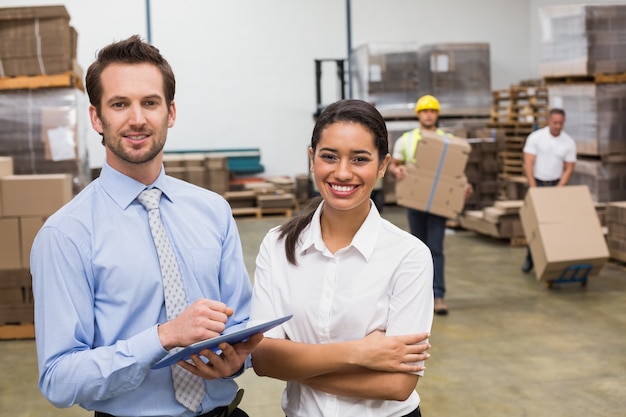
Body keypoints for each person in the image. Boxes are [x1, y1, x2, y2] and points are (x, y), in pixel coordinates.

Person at [30, 35, 262, 417]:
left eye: (150, 103)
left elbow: (241, 322)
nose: (137, 119)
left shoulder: (213, 211)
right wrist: (162, 337)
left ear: (170, 113)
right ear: (95, 117)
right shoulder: (65, 235)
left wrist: (237, 361)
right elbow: (59, 378)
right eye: (120, 104)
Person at [249, 99, 433, 417]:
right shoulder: (278, 245)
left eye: (360, 159)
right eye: (329, 157)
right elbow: (264, 359)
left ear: (383, 165)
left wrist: (296, 362)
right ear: (312, 159)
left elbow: (398, 385)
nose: (342, 172)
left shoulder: (409, 256)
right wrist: (360, 352)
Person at [388, 94, 457, 315]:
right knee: (418, 249)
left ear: (437, 114)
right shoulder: (406, 139)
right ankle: (418, 295)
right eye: (425, 111)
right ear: (419, 114)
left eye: (432, 111)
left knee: (436, 248)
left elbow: (455, 170)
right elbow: (394, 165)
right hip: (415, 200)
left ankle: (438, 296)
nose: (429, 114)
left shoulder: (448, 139)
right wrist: (396, 170)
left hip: (438, 201)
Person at [521, 108, 576, 273]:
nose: (558, 126)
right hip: (538, 183)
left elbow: (569, 168)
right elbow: (528, 163)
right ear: (549, 121)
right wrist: (533, 187)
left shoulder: (568, 142)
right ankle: (530, 259)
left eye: (561, 123)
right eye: (555, 122)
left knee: (554, 226)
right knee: (535, 226)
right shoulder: (536, 138)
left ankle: (554, 260)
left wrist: (559, 188)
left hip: (556, 185)